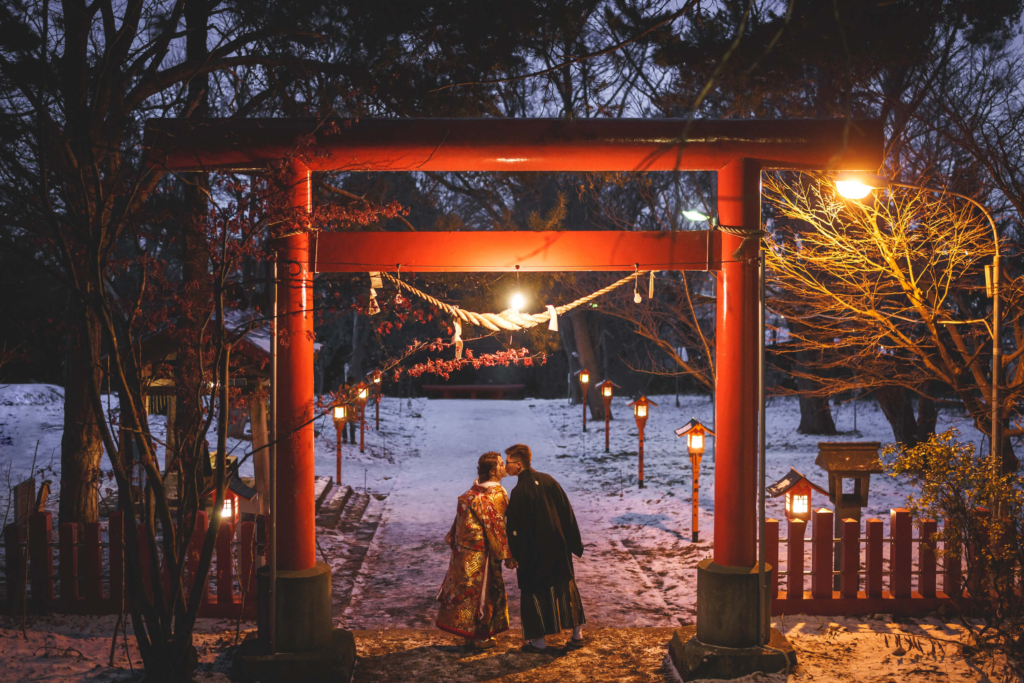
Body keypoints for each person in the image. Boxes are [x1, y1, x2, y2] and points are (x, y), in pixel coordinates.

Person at [504, 443, 586, 653]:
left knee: (535, 594)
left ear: (519, 465)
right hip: (559, 549)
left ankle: (538, 641)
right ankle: (577, 635)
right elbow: (567, 512)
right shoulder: (549, 480)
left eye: (509, 462)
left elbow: (515, 528)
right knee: (566, 589)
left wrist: (513, 554)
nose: (506, 466)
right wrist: (572, 543)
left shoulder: (519, 491)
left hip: (534, 555)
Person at [436, 452, 514, 649]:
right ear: (492, 470)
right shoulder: (497, 494)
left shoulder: (471, 493)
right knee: (482, 593)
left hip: (463, 552)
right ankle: (479, 636)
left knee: (466, 592)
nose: (504, 466)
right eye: (501, 464)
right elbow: (496, 527)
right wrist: (507, 554)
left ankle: (469, 634)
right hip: (482, 554)